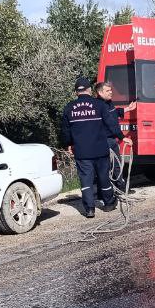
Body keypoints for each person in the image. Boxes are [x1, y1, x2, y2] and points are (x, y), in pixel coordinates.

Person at [61, 76, 121, 218]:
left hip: (82, 152)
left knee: (86, 180)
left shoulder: (69, 108)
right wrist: (122, 137)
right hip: (100, 149)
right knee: (103, 177)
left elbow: (65, 130)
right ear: (89, 90)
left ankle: (89, 209)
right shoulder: (99, 105)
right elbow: (111, 124)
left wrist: (68, 144)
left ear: (76, 92)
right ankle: (108, 203)